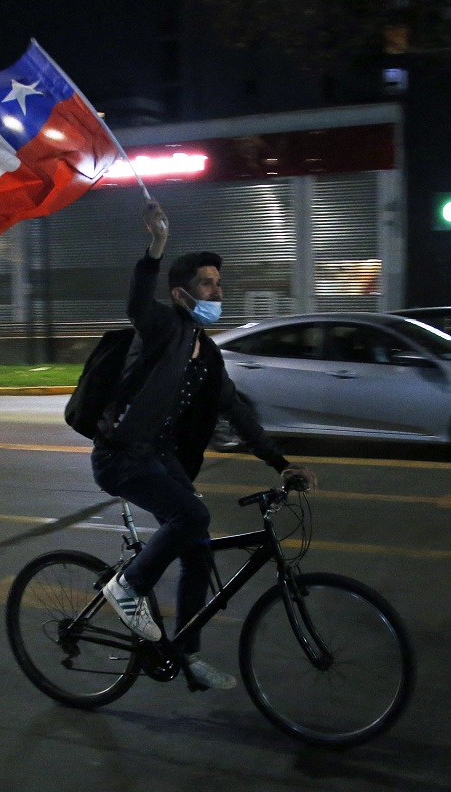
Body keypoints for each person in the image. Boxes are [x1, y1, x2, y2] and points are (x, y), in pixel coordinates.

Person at [92, 200, 317, 691]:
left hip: (158, 457)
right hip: (120, 456)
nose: (218, 290)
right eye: (208, 284)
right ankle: (127, 586)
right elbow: (136, 301)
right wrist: (156, 246)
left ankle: (186, 655)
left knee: (198, 552)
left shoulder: (206, 352)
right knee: (192, 519)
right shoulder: (163, 329)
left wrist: (280, 463)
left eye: (218, 282)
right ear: (181, 294)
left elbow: (236, 410)